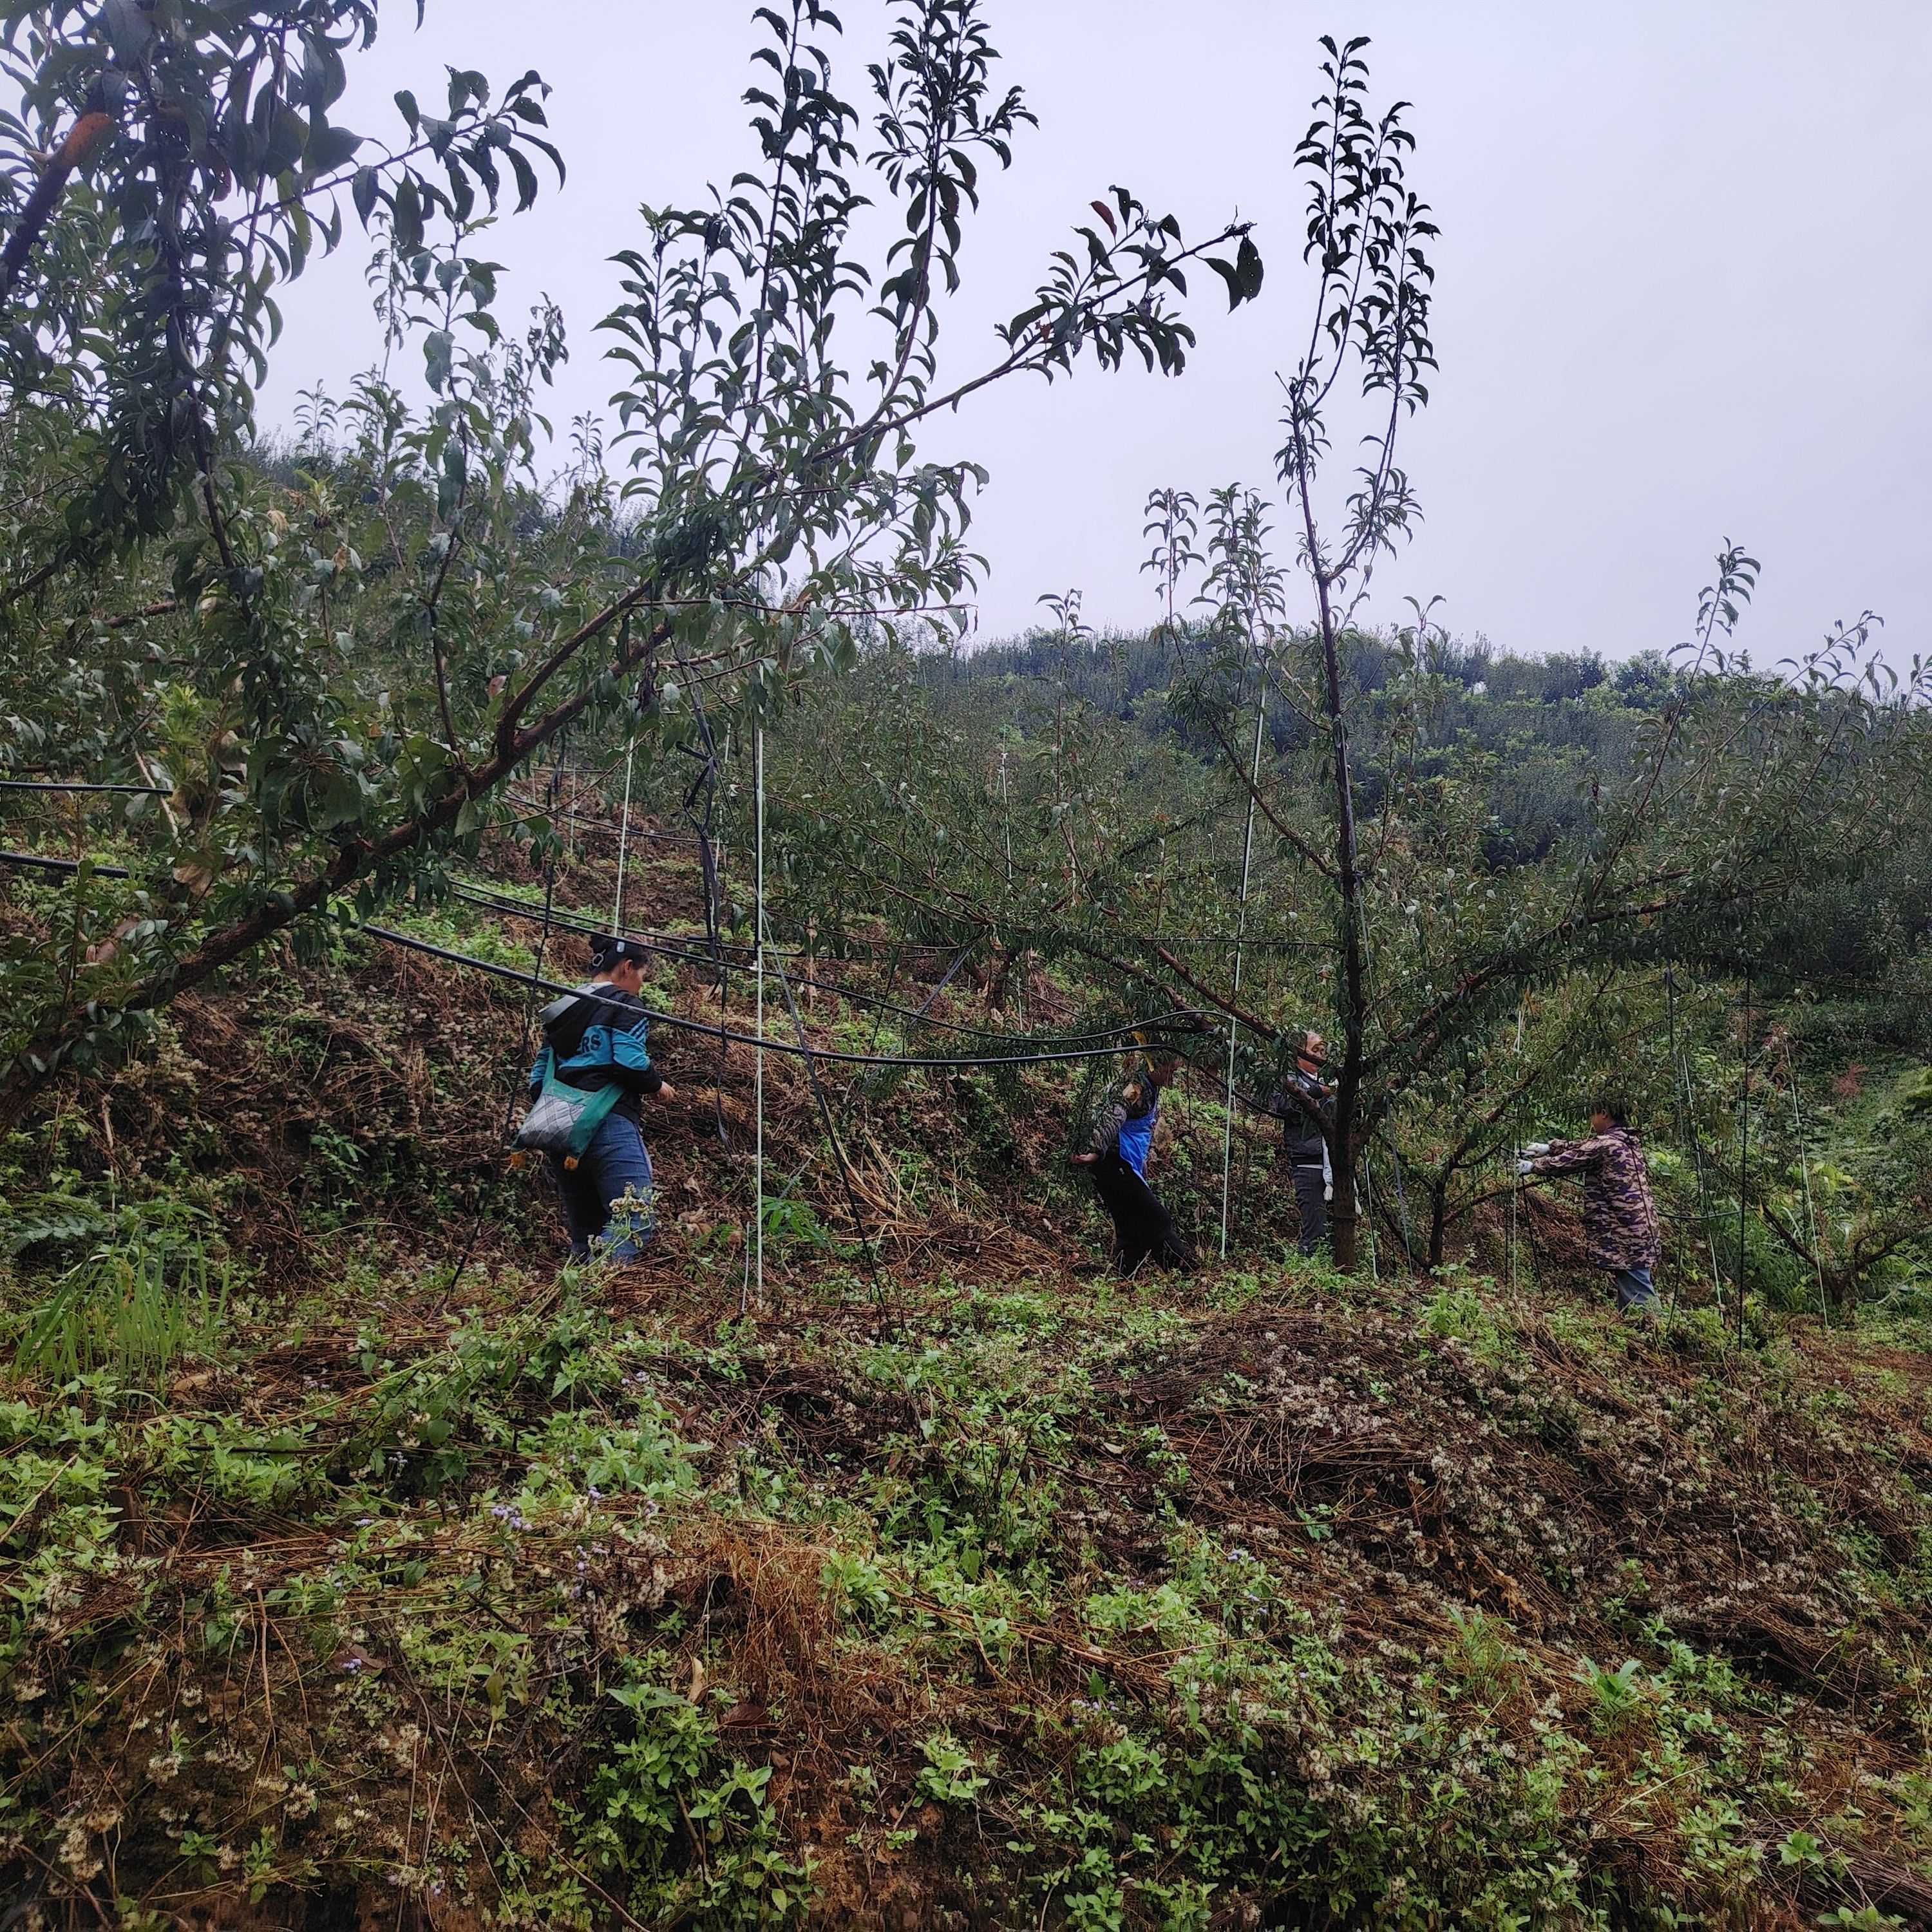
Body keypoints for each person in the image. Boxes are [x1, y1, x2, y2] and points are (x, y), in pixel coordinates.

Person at [527, 934, 676, 1263]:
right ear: (627, 968)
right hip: (606, 1119)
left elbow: (538, 1077)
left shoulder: (563, 1008)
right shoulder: (625, 1005)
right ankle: (597, 1292)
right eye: (641, 974)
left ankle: (574, 1304)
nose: (640, 983)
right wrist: (657, 1086)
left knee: (588, 1232)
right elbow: (631, 1062)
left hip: (559, 1128)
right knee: (635, 1218)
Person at [1517, 1098, 1662, 1314]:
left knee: (1638, 1293)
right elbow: (1584, 1147)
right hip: (1637, 1229)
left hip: (1627, 1233)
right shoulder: (1624, 1141)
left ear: (1603, 1113)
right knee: (1631, 1286)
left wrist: (1533, 1167)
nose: (1591, 1121)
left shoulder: (1606, 1145)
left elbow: (1574, 1159)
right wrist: (1548, 1148)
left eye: (1593, 1115)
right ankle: (1637, 1334)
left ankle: (1656, 1339)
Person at [1071, 1052, 1197, 1275]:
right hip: (1112, 1162)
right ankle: (1186, 1273)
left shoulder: (1150, 1088)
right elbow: (1112, 1115)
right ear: (1153, 1067)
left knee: (1131, 1229)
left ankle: (1120, 1276)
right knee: (1157, 1219)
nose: (1171, 1078)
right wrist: (1095, 1151)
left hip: (1124, 1163)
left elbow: (1140, 1129)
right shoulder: (1135, 1087)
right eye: (1169, 1072)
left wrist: (1142, 1162)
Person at [1269, 1032, 1336, 1257]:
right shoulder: (1289, 1079)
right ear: (1299, 1053)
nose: (1319, 1056)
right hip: (1308, 1161)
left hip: (1333, 1161)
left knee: (1335, 1230)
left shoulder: (1327, 1080)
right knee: (1315, 1228)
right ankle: (1306, 1272)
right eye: (1314, 1050)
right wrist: (1316, 1093)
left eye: (1322, 1051)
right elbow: (1286, 1107)